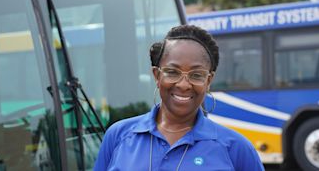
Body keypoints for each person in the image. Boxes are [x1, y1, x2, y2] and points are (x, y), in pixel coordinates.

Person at [94, 25, 264, 170]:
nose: (183, 85)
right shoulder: (118, 136)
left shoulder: (236, 149)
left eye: (196, 75)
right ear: (157, 75)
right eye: (172, 72)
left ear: (208, 81)